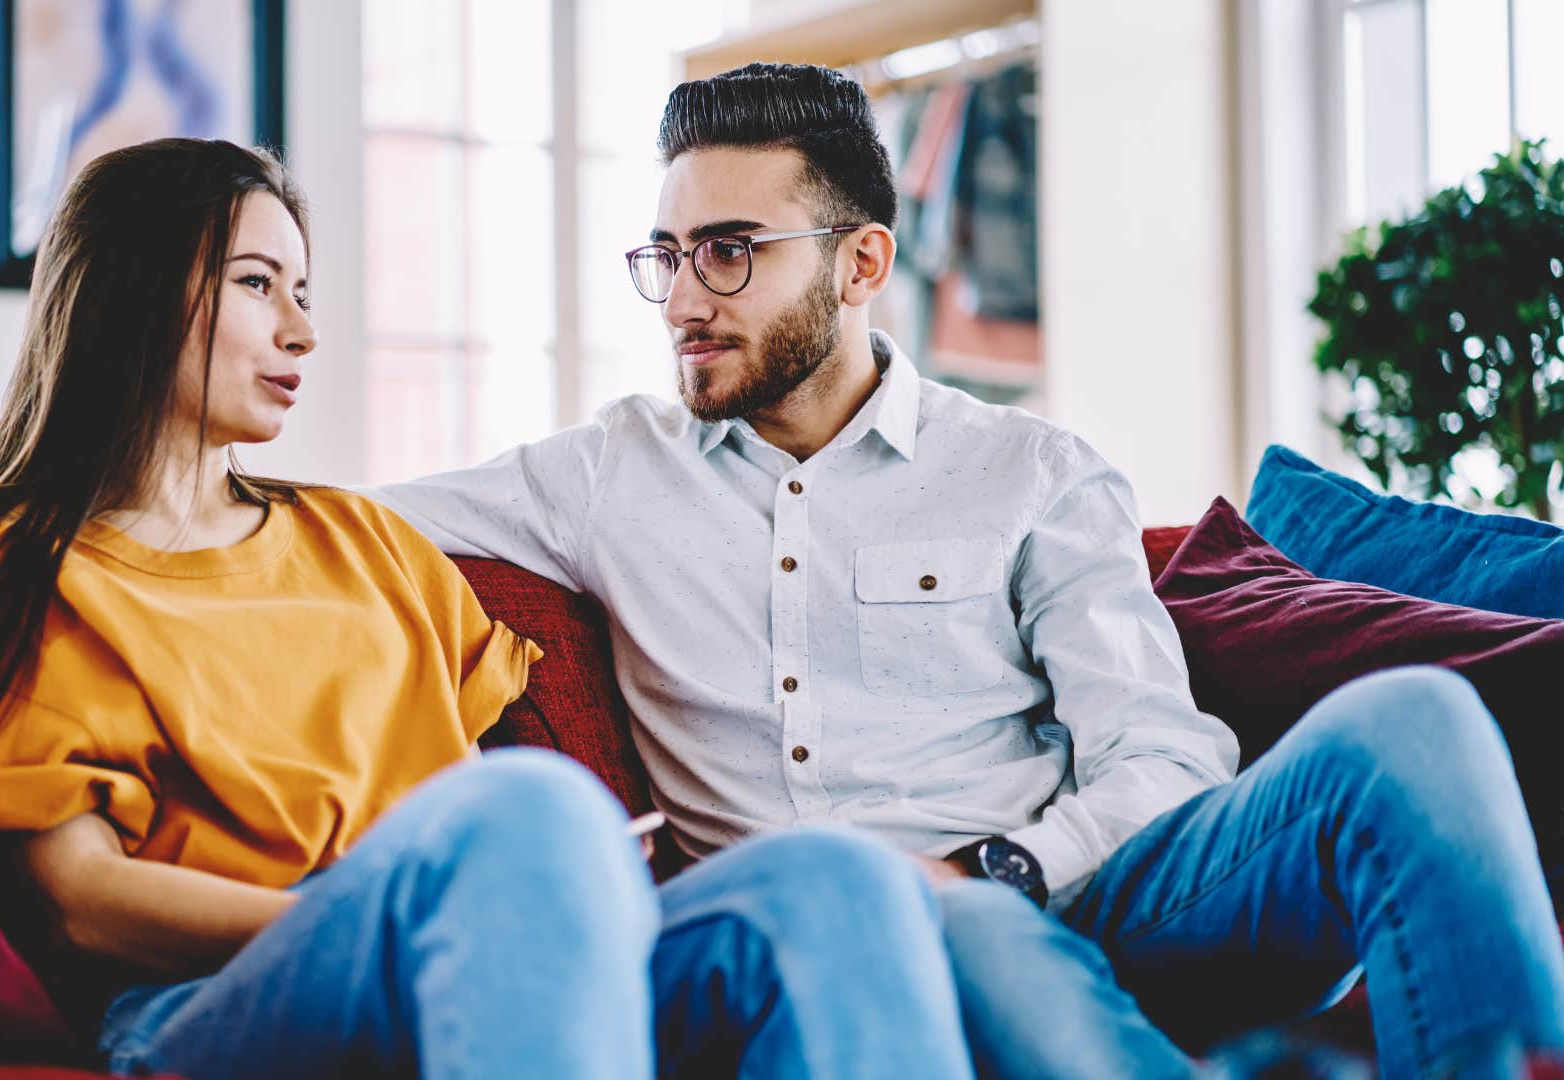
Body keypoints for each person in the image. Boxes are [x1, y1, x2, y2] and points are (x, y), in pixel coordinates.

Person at [365, 63, 1564, 1076]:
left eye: (729, 253)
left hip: (1093, 885)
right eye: (667, 255)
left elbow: (1162, 755)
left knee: (1415, 721)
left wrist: (999, 866)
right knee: (971, 930)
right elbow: (334, 522)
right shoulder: (605, 475)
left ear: (862, 263)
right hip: (849, 939)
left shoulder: (1030, 472)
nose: (682, 299)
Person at [0, 137, 974, 1080]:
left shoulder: (364, 542)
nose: (303, 333)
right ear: (133, 293)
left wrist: (536, 908)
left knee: (832, 878)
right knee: (530, 812)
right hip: (217, 998)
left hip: (488, 948)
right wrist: (432, 913)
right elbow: (76, 899)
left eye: (304, 293)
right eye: (259, 285)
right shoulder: (14, 575)